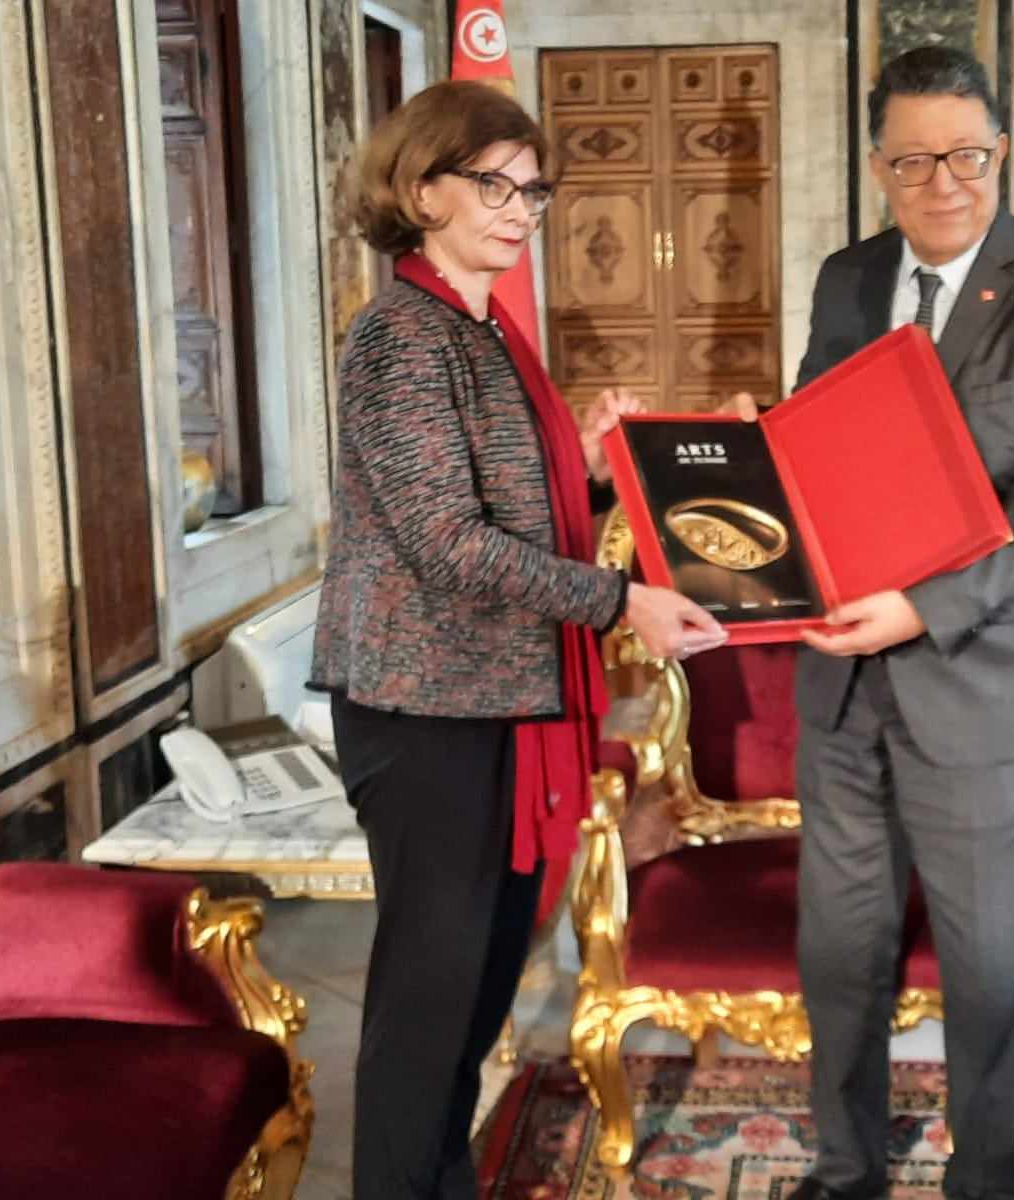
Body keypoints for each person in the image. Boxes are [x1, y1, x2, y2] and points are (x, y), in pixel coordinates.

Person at [309, 80, 725, 1200]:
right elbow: (445, 541)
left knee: (479, 988)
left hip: (492, 698)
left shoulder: (483, 328)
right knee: (428, 1002)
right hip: (424, 710)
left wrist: (582, 464)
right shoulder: (400, 335)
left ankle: (442, 1179)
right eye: (493, 184)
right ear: (420, 190)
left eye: (532, 191)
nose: (518, 209)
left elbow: (502, 512)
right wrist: (620, 602)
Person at [785, 46, 1014, 1200]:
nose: (945, 183)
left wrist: (916, 610)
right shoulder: (846, 279)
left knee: (986, 964)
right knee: (840, 953)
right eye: (915, 161)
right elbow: (818, 447)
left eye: (968, 157)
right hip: (844, 688)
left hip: (989, 685)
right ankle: (845, 1167)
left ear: (1002, 152)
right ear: (877, 165)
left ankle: (983, 1169)